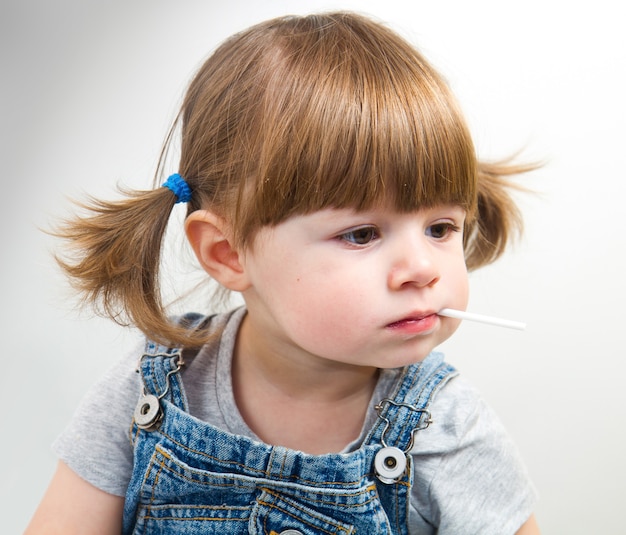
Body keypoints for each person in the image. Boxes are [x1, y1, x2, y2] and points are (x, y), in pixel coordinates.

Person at [26, 11, 540, 535]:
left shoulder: (446, 428)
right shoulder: (151, 388)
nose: (422, 269)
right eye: (362, 234)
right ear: (228, 253)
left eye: (440, 227)